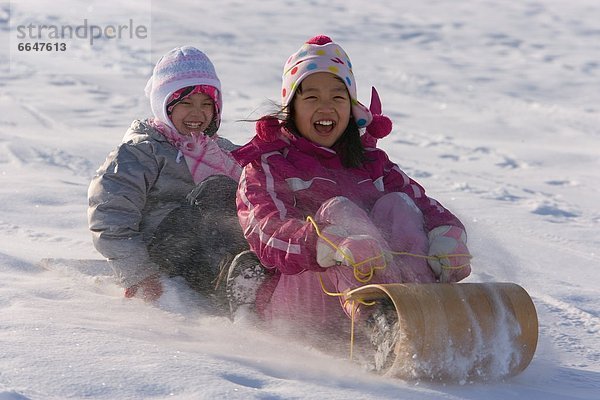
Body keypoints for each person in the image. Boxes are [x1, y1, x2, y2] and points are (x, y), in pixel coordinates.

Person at [228, 35, 471, 367]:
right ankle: (385, 326)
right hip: (305, 306)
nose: (326, 107)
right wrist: (325, 244)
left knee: (397, 205)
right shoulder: (268, 164)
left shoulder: (371, 162)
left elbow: (423, 206)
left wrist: (448, 235)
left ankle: (426, 313)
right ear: (292, 108)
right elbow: (264, 230)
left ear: (350, 106)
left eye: (337, 97)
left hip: (386, 301)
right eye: (311, 96)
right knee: (339, 210)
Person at [88, 46, 246, 305]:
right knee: (217, 190)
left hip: (206, 254)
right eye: (185, 103)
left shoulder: (221, 151)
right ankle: (232, 278)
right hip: (163, 253)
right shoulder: (141, 152)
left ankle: (256, 275)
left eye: (207, 104)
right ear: (163, 104)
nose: (197, 113)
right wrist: (137, 273)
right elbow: (110, 214)